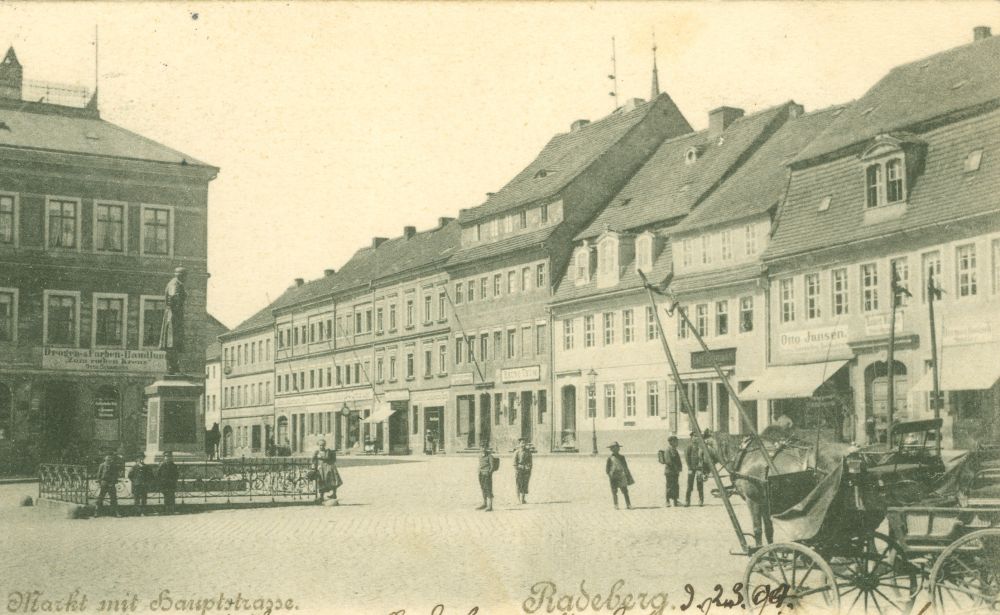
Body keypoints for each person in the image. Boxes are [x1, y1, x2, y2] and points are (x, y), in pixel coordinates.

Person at [159, 267, 187, 375]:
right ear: (181, 276)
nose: (186, 279)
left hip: (174, 316)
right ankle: (172, 367)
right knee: (171, 342)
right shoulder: (174, 284)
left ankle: (174, 367)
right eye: (185, 276)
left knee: (174, 343)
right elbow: (173, 297)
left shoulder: (176, 283)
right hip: (172, 317)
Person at [685, 433, 712, 507]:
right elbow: (687, 458)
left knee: (700, 485)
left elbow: (704, 458)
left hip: (699, 469)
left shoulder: (701, 447)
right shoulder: (689, 447)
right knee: (689, 485)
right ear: (691, 438)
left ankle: (701, 500)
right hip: (691, 469)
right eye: (694, 437)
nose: (696, 438)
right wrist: (689, 467)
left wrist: (704, 468)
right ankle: (687, 501)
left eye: (697, 437)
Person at [312, 439, 342, 505]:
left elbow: (329, 458)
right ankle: (321, 496)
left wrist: (322, 457)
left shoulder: (328, 451)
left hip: (328, 468)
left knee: (332, 480)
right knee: (321, 481)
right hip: (320, 468)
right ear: (318, 445)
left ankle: (334, 494)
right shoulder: (316, 452)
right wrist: (314, 465)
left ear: (325, 445)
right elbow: (313, 459)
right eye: (320, 445)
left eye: (323, 445)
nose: (321, 447)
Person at [605, 442, 634, 510]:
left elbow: (625, 466)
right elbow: (607, 469)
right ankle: (616, 504)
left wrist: (627, 475)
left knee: (625, 491)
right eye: (614, 448)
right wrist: (610, 475)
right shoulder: (609, 458)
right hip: (613, 477)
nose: (616, 449)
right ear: (611, 450)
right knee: (614, 491)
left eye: (617, 448)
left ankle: (628, 504)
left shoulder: (622, 457)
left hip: (621, 476)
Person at [659, 436, 682, 507]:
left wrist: (680, 467)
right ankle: (667, 501)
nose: (677, 442)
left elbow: (678, 460)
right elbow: (668, 461)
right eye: (675, 441)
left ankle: (675, 501)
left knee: (675, 485)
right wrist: (676, 468)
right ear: (671, 442)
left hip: (675, 472)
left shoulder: (675, 450)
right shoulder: (668, 450)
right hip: (669, 471)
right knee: (669, 486)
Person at [476, 443, 499, 512]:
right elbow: (480, 465)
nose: (483, 449)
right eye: (482, 447)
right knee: (483, 488)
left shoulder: (490, 456)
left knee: (488, 489)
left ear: (487, 448)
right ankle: (484, 503)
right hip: (481, 474)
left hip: (487, 475)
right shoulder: (480, 456)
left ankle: (490, 506)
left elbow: (492, 467)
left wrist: (488, 473)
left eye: (484, 447)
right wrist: (479, 471)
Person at [514, 438, 533, 504]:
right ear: (519, 444)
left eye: (524, 443)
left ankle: (523, 499)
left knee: (525, 484)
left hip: (526, 470)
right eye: (522, 443)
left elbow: (530, 462)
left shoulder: (528, 452)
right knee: (519, 484)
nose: (523, 444)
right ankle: (518, 499)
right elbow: (514, 463)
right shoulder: (517, 452)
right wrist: (518, 469)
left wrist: (529, 467)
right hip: (519, 470)